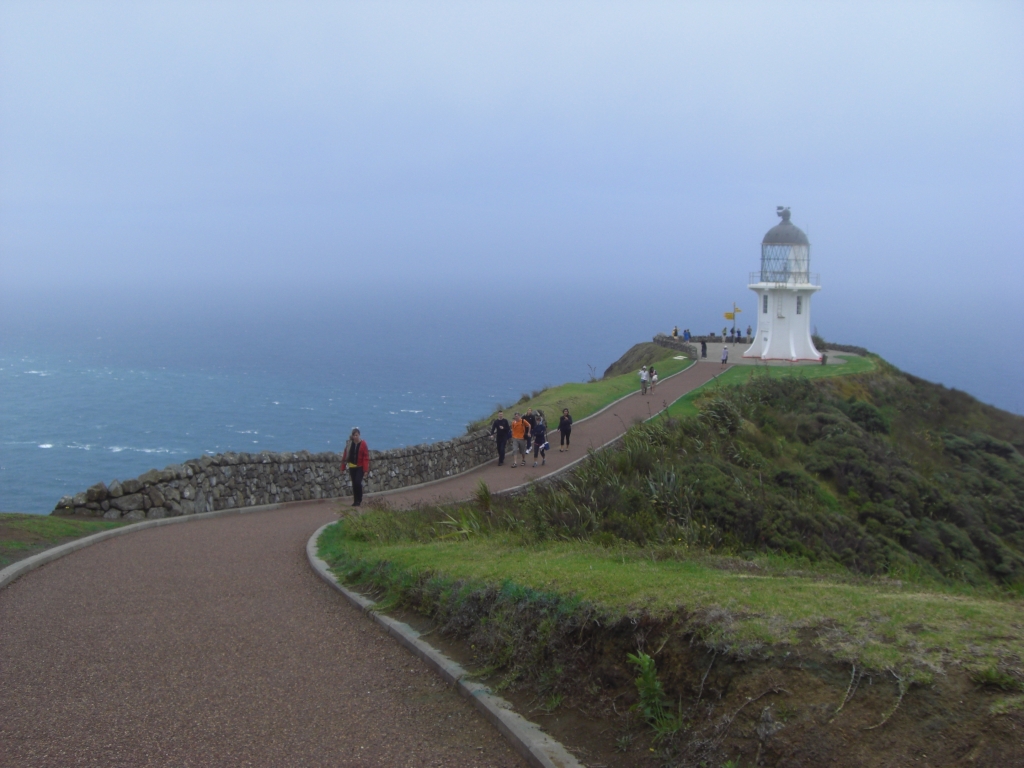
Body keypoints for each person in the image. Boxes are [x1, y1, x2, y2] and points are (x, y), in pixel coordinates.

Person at [342, 427, 369, 507]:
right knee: (354, 484)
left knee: (357, 482)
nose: (355, 437)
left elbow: (366, 457)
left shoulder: (363, 444)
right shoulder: (349, 444)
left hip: (359, 467)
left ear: (359, 435)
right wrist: (342, 467)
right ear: (352, 436)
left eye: (357, 435)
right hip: (352, 466)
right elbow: (345, 455)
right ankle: (355, 501)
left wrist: (365, 470)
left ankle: (359, 499)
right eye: (354, 435)